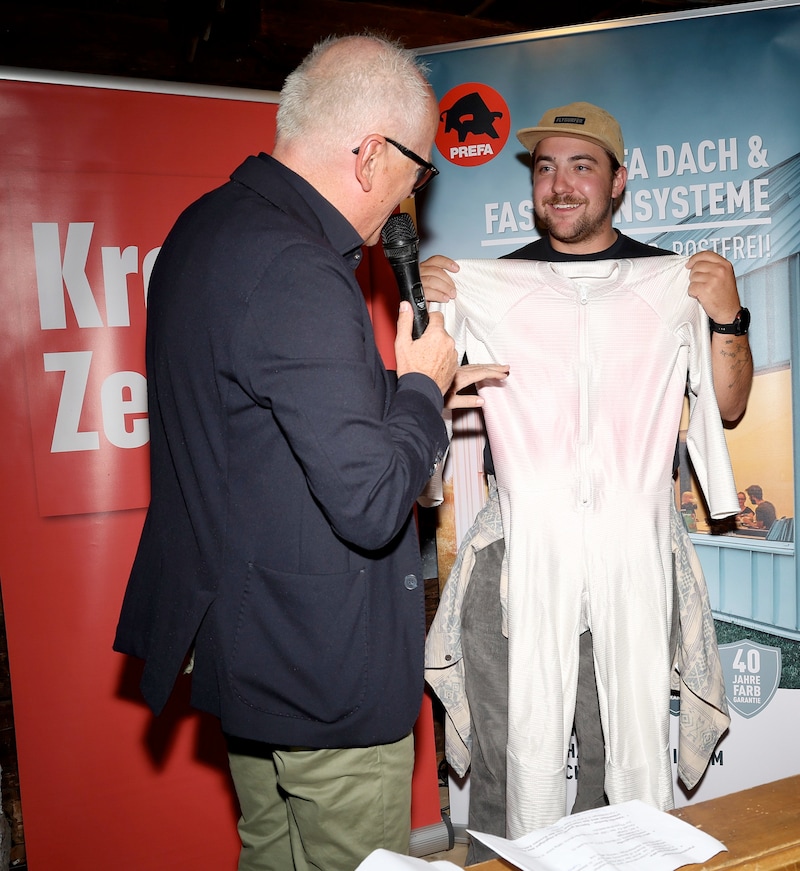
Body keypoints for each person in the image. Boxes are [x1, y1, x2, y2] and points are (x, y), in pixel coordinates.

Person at [112, 33, 508, 871]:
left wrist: (408, 391)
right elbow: (367, 503)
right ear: (371, 155)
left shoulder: (204, 226)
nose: (412, 197)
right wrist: (421, 392)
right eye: (419, 170)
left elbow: (261, 432)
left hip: (249, 652)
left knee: (269, 852)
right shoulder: (298, 266)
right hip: (322, 668)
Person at [423, 102, 751, 859]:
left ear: (618, 181)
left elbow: (723, 407)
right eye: (545, 168)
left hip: (635, 532)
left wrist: (726, 320)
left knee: (628, 742)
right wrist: (438, 308)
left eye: (580, 166)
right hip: (522, 537)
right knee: (518, 747)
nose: (560, 184)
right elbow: (430, 398)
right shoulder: (491, 282)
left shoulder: (670, 281)